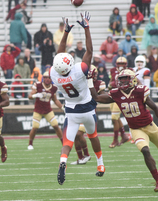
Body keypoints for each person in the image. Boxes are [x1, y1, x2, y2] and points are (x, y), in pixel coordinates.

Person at [92, 69, 158, 192]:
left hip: (150, 126)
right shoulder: (116, 93)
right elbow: (96, 97)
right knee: (145, 150)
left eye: (125, 79)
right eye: (120, 80)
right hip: (136, 129)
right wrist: (89, 82)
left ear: (132, 79)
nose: (122, 82)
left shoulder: (140, 91)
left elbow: (154, 107)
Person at [50, 12, 105, 185]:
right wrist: (86, 27)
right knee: (93, 135)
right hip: (88, 109)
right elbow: (90, 51)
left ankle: (63, 161)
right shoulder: (79, 70)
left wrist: (65, 32)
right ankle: (100, 164)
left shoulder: (54, 75)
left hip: (71, 111)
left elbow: (59, 56)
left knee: (67, 141)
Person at [71, 65, 105, 165]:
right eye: (90, 74)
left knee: (79, 134)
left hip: (89, 112)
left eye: (94, 74)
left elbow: (102, 96)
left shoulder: (99, 83)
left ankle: (87, 155)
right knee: (75, 136)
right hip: (78, 110)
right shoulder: (80, 83)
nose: (92, 76)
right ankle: (81, 157)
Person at [28, 71, 64, 149]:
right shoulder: (38, 85)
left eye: (49, 77)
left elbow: (55, 100)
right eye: (46, 77)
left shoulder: (54, 88)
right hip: (38, 110)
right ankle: (30, 144)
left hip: (48, 110)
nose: (47, 79)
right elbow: (30, 96)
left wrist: (62, 108)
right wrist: (36, 95)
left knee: (56, 126)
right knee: (35, 127)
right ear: (43, 78)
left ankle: (63, 143)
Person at [107, 57, 131, 148]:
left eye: (122, 64)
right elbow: (111, 82)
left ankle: (115, 140)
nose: (121, 66)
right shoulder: (112, 70)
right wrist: (110, 85)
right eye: (119, 64)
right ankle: (124, 136)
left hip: (121, 95)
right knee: (116, 118)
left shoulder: (129, 71)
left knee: (114, 117)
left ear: (125, 64)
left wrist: (115, 83)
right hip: (113, 95)